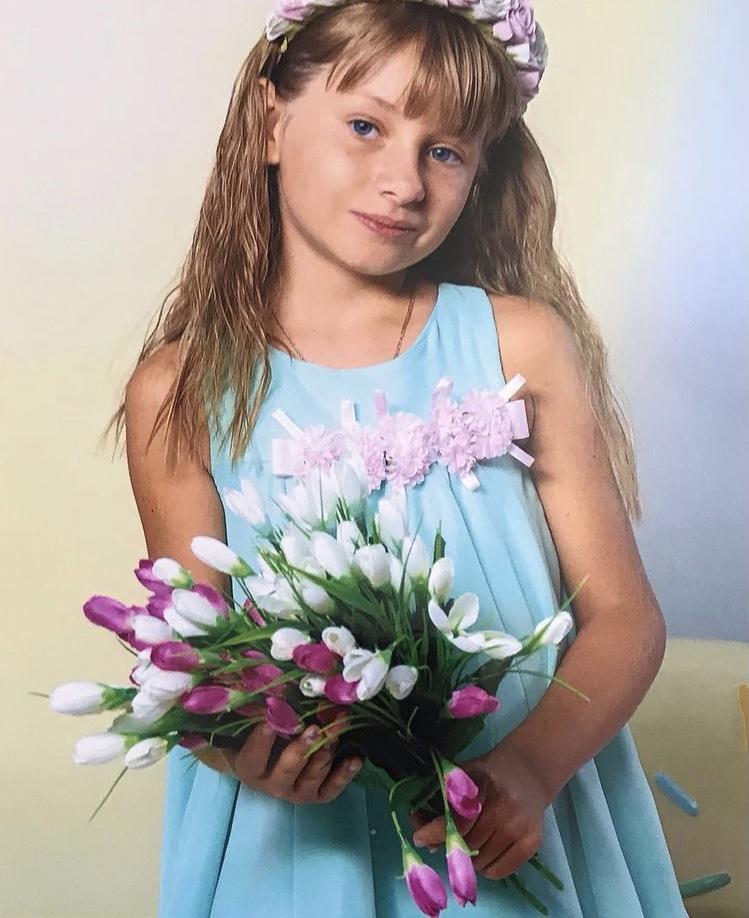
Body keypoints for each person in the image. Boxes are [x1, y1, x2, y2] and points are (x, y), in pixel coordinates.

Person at [107, 2, 689, 915]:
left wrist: (529, 769)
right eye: (365, 126)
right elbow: (197, 655)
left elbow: (624, 618)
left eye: (444, 150)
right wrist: (241, 746)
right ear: (270, 120)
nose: (404, 181)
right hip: (302, 854)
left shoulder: (518, 345)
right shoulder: (181, 391)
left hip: (507, 822)